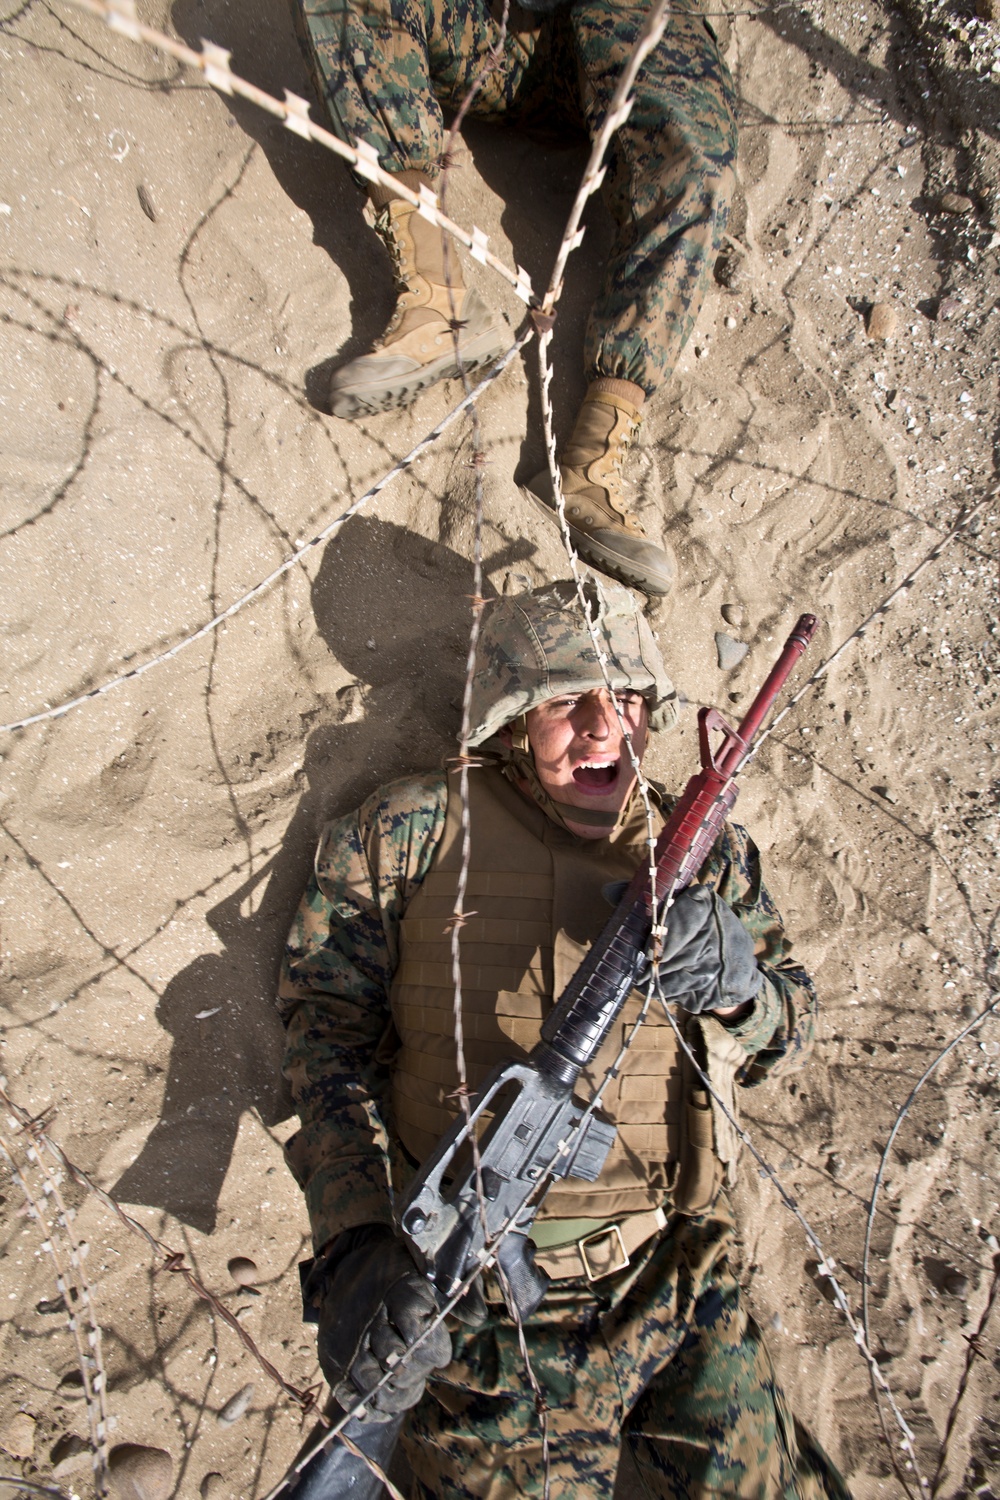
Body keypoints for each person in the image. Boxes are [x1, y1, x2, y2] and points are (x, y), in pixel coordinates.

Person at [277, 575, 849, 1498]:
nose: (599, 726)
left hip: (680, 1271)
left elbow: (792, 1028)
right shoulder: (415, 829)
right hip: (486, 1307)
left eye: (621, 695)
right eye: (562, 701)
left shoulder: (704, 852)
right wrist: (353, 1243)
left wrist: (743, 985)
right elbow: (321, 1036)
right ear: (511, 720)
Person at [289, 0, 739, 596]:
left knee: (697, 175)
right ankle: (438, 298)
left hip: (645, 26)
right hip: (524, 38)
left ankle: (588, 467)